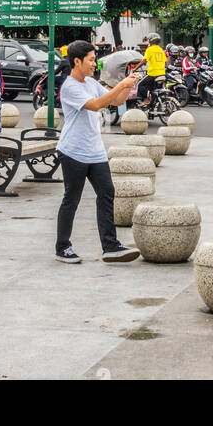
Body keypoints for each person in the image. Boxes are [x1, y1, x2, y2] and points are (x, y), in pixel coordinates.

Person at [54, 40, 143, 264]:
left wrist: (128, 85)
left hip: (94, 150)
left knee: (106, 192)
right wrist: (120, 85)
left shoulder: (91, 83)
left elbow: (114, 100)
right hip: (73, 150)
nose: (95, 64)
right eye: (91, 60)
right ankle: (62, 247)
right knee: (71, 199)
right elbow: (95, 105)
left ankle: (110, 247)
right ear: (77, 61)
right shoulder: (70, 86)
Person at [138, 33, 167, 112]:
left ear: (150, 41)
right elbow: (164, 61)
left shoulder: (149, 49)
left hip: (153, 74)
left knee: (140, 85)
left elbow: (144, 61)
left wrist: (135, 68)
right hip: (162, 73)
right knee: (152, 90)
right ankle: (151, 105)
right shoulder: (161, 49)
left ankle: (145, 100)